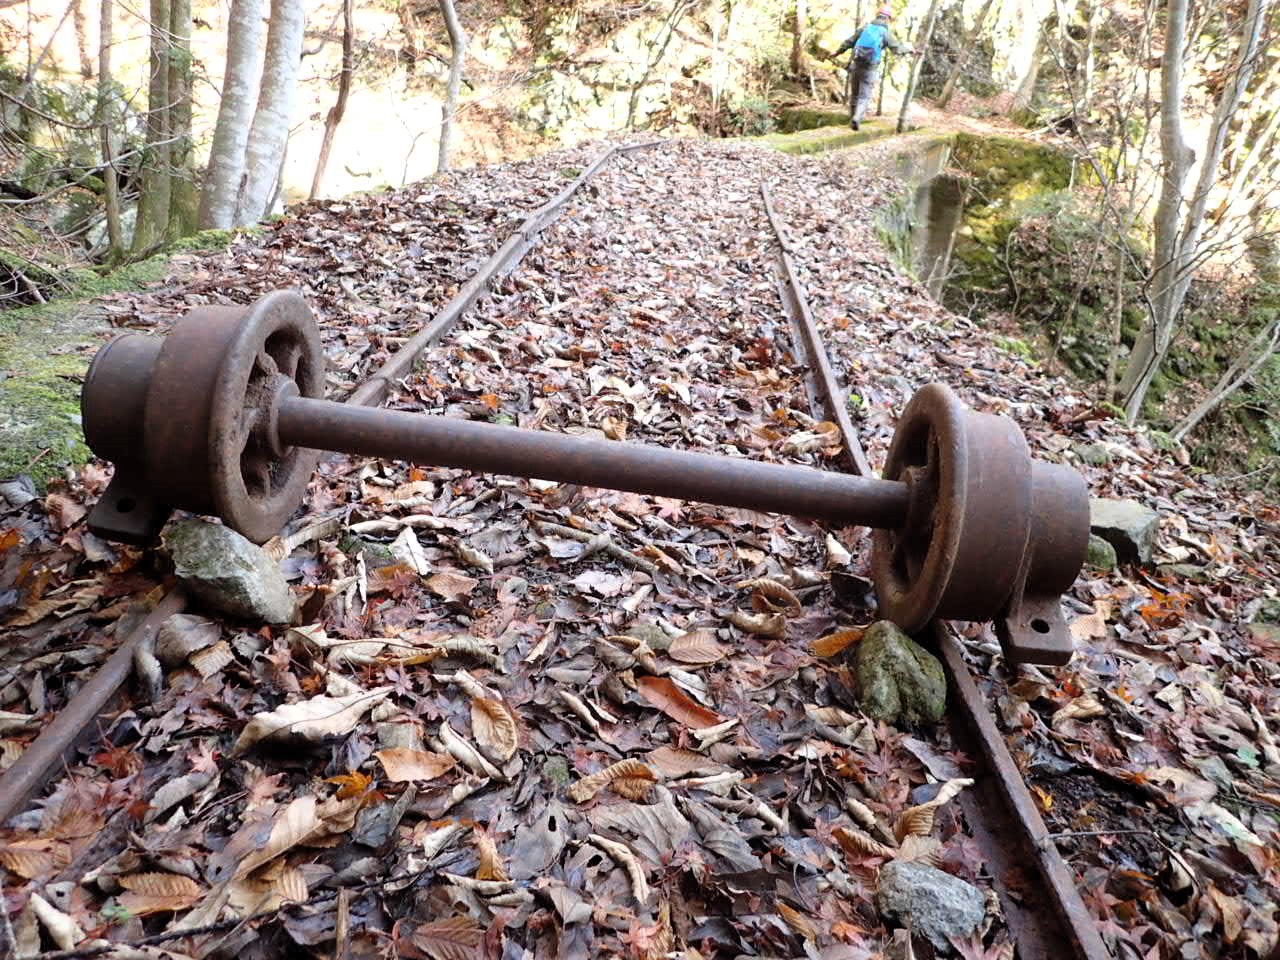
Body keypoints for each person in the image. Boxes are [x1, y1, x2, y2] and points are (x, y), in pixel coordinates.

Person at [832, 7, 910, 130]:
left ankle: (852, 118)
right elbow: (897, 48)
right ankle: (857, 118)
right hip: (870, 68)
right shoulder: (885, 32)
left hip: (856, 65)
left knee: (855, 95)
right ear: (888, 19)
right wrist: (911, 50)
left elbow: (848, 42)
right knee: (864, 96)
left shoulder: (865, 28)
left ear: (877, 16)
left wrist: (836, 53)